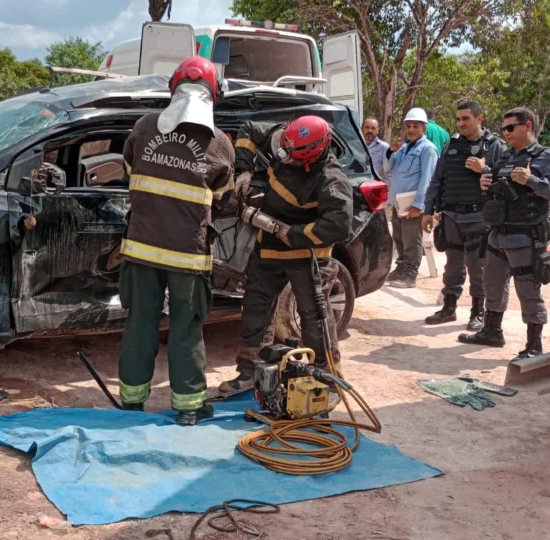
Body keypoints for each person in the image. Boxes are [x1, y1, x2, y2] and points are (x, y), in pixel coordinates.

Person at [117, 56, 235, 425]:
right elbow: (225, 200)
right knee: (186, 329)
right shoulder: (220, 143)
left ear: (173, 88)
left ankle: (131, 403)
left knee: (140, 324)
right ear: (213, 94)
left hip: (142, 249)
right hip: (188, 255)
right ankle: (189, 408)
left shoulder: (144, 127)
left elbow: (129, 170)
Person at [217, 115, 353, 395]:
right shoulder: (285, 137)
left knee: (314, 315)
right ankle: (251, 371)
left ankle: (326, 377)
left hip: (308, 254)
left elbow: (337, 225)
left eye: (291, 155)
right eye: (283, 148)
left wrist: (291, 233)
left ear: (311, 156)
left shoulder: (330, 179)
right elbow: (249, 127)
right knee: (256, 306)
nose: (283, 156)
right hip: (269, 248)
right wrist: (244, 170)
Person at [458, 107, 550, 360]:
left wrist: (532, 181)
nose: (506, 133)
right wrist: (485, 183)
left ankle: (534, 345)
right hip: (498, 234)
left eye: (511, 127)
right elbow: (496, 186)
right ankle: (492, 331)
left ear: (528, 126)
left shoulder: (546, 157)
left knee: (528, 289)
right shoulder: (506, 156)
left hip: (526, 236)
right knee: (492, 284)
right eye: (503, 128)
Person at [422, 100, 507, 331]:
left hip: (479, 216)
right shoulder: (451, 145)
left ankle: (478, 313)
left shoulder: (494, 146)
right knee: (452, 265)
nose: (460, 123)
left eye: (465, 119)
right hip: (451, 215)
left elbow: (507, 180)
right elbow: (437, 180)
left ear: (479, 118)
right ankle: (449, 308)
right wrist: (428, 211)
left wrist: (484, 169)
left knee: (478, 266)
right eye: (458, 119)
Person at [384, 108, 439, 288]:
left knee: (411, 239)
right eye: (408, 126)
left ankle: (410, 274)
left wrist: (419, 204)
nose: (411, 130)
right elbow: (389, 168)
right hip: (398, 202)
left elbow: (427, 179)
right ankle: (401, 268)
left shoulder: (428, 149)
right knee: (399, 237)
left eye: (416, 126)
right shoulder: (405, 147)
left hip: (412, 204)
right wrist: (391, 151)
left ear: (424, 127)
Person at [363, 117, 391, 187]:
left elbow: (389, 171)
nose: (369, 130)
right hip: (356, 186)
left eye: (373, 128)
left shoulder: (384, 147)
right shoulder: (354, 145)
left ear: (377, 130)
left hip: (375, 188)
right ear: (361, 128)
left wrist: (384, 187)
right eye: (367, 127)